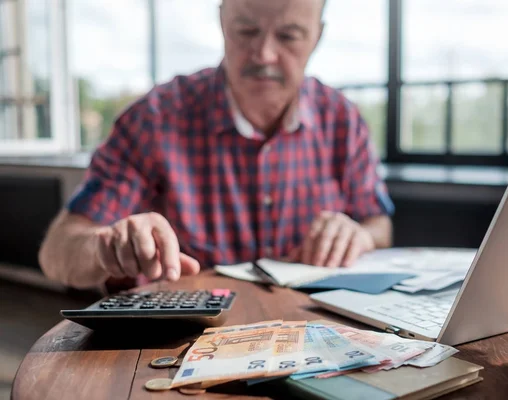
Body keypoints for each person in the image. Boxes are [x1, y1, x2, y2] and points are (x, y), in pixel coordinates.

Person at [38, 0, 394, 290]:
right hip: (178, 347)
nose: (265, 54)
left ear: (317, 36)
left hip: (315, 334)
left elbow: (379, 225)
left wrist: (359, 234)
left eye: (289, 35)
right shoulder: (155, 118)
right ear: (223, 21)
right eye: (246, 31)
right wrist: (106, 248)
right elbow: (57, 251)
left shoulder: (342, 120)